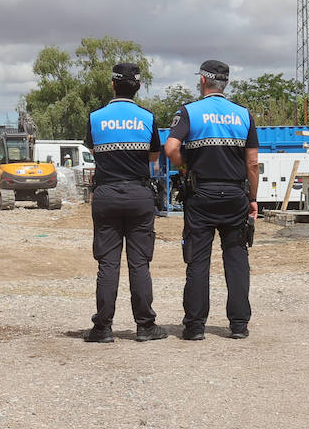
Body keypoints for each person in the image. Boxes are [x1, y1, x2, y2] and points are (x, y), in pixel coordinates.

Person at [164, 60, 259, 341]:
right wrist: (252, 198)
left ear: (203, 81)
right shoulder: (243, 115)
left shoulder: (190, 112)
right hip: (234, 196)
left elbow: (170, 148)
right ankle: (239, 325)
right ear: (224, 83)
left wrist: (185, 168)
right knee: (237, 258)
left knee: (198, 260)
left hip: (201, 194)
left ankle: (194, 326)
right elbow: (252, 163)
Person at [82, 63, 164, 343]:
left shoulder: (96, 118)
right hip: (140, 194)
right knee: (139, 263)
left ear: (113, 85)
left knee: (108, 264)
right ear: (138, 86)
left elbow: (94, 151)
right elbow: (154, 158)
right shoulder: (147, 117)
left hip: (106, 194)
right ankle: (145, 326)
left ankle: (103, 328)